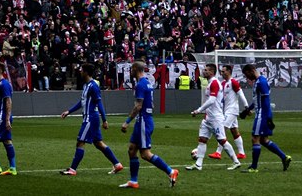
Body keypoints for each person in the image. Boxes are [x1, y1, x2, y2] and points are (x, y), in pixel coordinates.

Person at [119, 60, 179, 189]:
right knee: (132, 150)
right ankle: (133, 181)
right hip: (143, 121)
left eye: (131, 69)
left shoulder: (141, 85)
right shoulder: (147, 83)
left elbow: (138, 106)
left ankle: (171, 171)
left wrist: (127, 122)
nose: (130, 71)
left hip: (143, 122)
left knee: (145, 154)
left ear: (135, 69)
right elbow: (151, 104)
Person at [59, 63, 123, 176]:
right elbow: (82, 102)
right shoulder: (86, 86)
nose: (80, 71)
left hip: (90, 119)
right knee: (98, 143)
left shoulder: (93, 86)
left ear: (86, 72)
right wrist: (69, 111)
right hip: (90, 118)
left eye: (81, 70)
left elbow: (99, 103)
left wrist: (104, 120)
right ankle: (117, 164)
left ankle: (72, 169)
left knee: (80, 142)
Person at [186, 64, 241, 171]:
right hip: (208, 118)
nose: (203, 71)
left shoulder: (215, 83)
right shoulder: (210, 83)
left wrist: (198, 110)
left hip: (216, 118)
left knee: (222, 140)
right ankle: (198, 164)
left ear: (211, 72)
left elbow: (211, 100)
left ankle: (236, 161)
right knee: (202, 140)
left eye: (206, 70)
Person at [239, 64, 291, 173]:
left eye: (246, 74)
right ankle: (284, 157)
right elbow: (257, 100)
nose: (247, 77)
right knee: (263, 140)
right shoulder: (258, 81)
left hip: (262, 114)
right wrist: (247, 110)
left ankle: (254, 167)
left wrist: (268, 117)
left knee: (255, 138)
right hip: (262, 113)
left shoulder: (261, 82)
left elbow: (266, 100)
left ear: (251, 71)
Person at [208, 65, 248, 160]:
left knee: (222, 129)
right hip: (226, 110)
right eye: (221, 72)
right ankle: (242, 153)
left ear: (229, 71)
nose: (222, 73)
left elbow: (241, 94)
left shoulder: (233, 82)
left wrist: (246, 107)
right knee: (234, 131)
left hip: (232, 110)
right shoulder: (223, 83)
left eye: (223, 71)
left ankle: (218, 152)